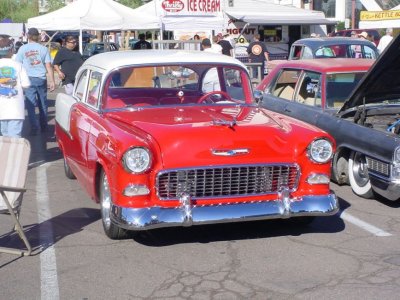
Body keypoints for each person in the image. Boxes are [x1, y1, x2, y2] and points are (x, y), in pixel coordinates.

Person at [15, 27, 55, 136]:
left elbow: (17, 65)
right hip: (41, 79)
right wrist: (52, 80)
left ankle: (34, 127)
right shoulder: (43, 49)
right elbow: (48, 65)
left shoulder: (23, 49)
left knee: (30, 104)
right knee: (43, 103)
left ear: (28, 36)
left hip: (28, 79)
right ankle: (44, 126)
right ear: (38, 36)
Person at [0, 37, 30, 137]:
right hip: (15, 109)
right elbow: (26, 84)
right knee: (15, 138)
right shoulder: (18, 65)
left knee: (4, 137)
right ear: (12, 50)